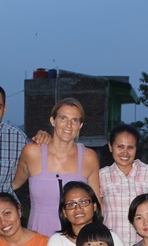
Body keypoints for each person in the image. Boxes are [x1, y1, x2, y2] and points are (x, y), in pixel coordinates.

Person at [13, 98, 101, 237]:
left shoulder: (89, 157)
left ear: (80, 125)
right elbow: (12, 185)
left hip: (77, 240)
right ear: (53, 120)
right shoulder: (32, 152)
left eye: (74, 120)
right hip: (38, 239)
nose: (68, 125)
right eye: (63, 118)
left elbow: (97, 204)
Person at [99, 123, 148, 246]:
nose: (125, 152)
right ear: (110, 147)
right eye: (120, 147)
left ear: (136, 148)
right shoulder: (101, 176)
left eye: (130, 147)